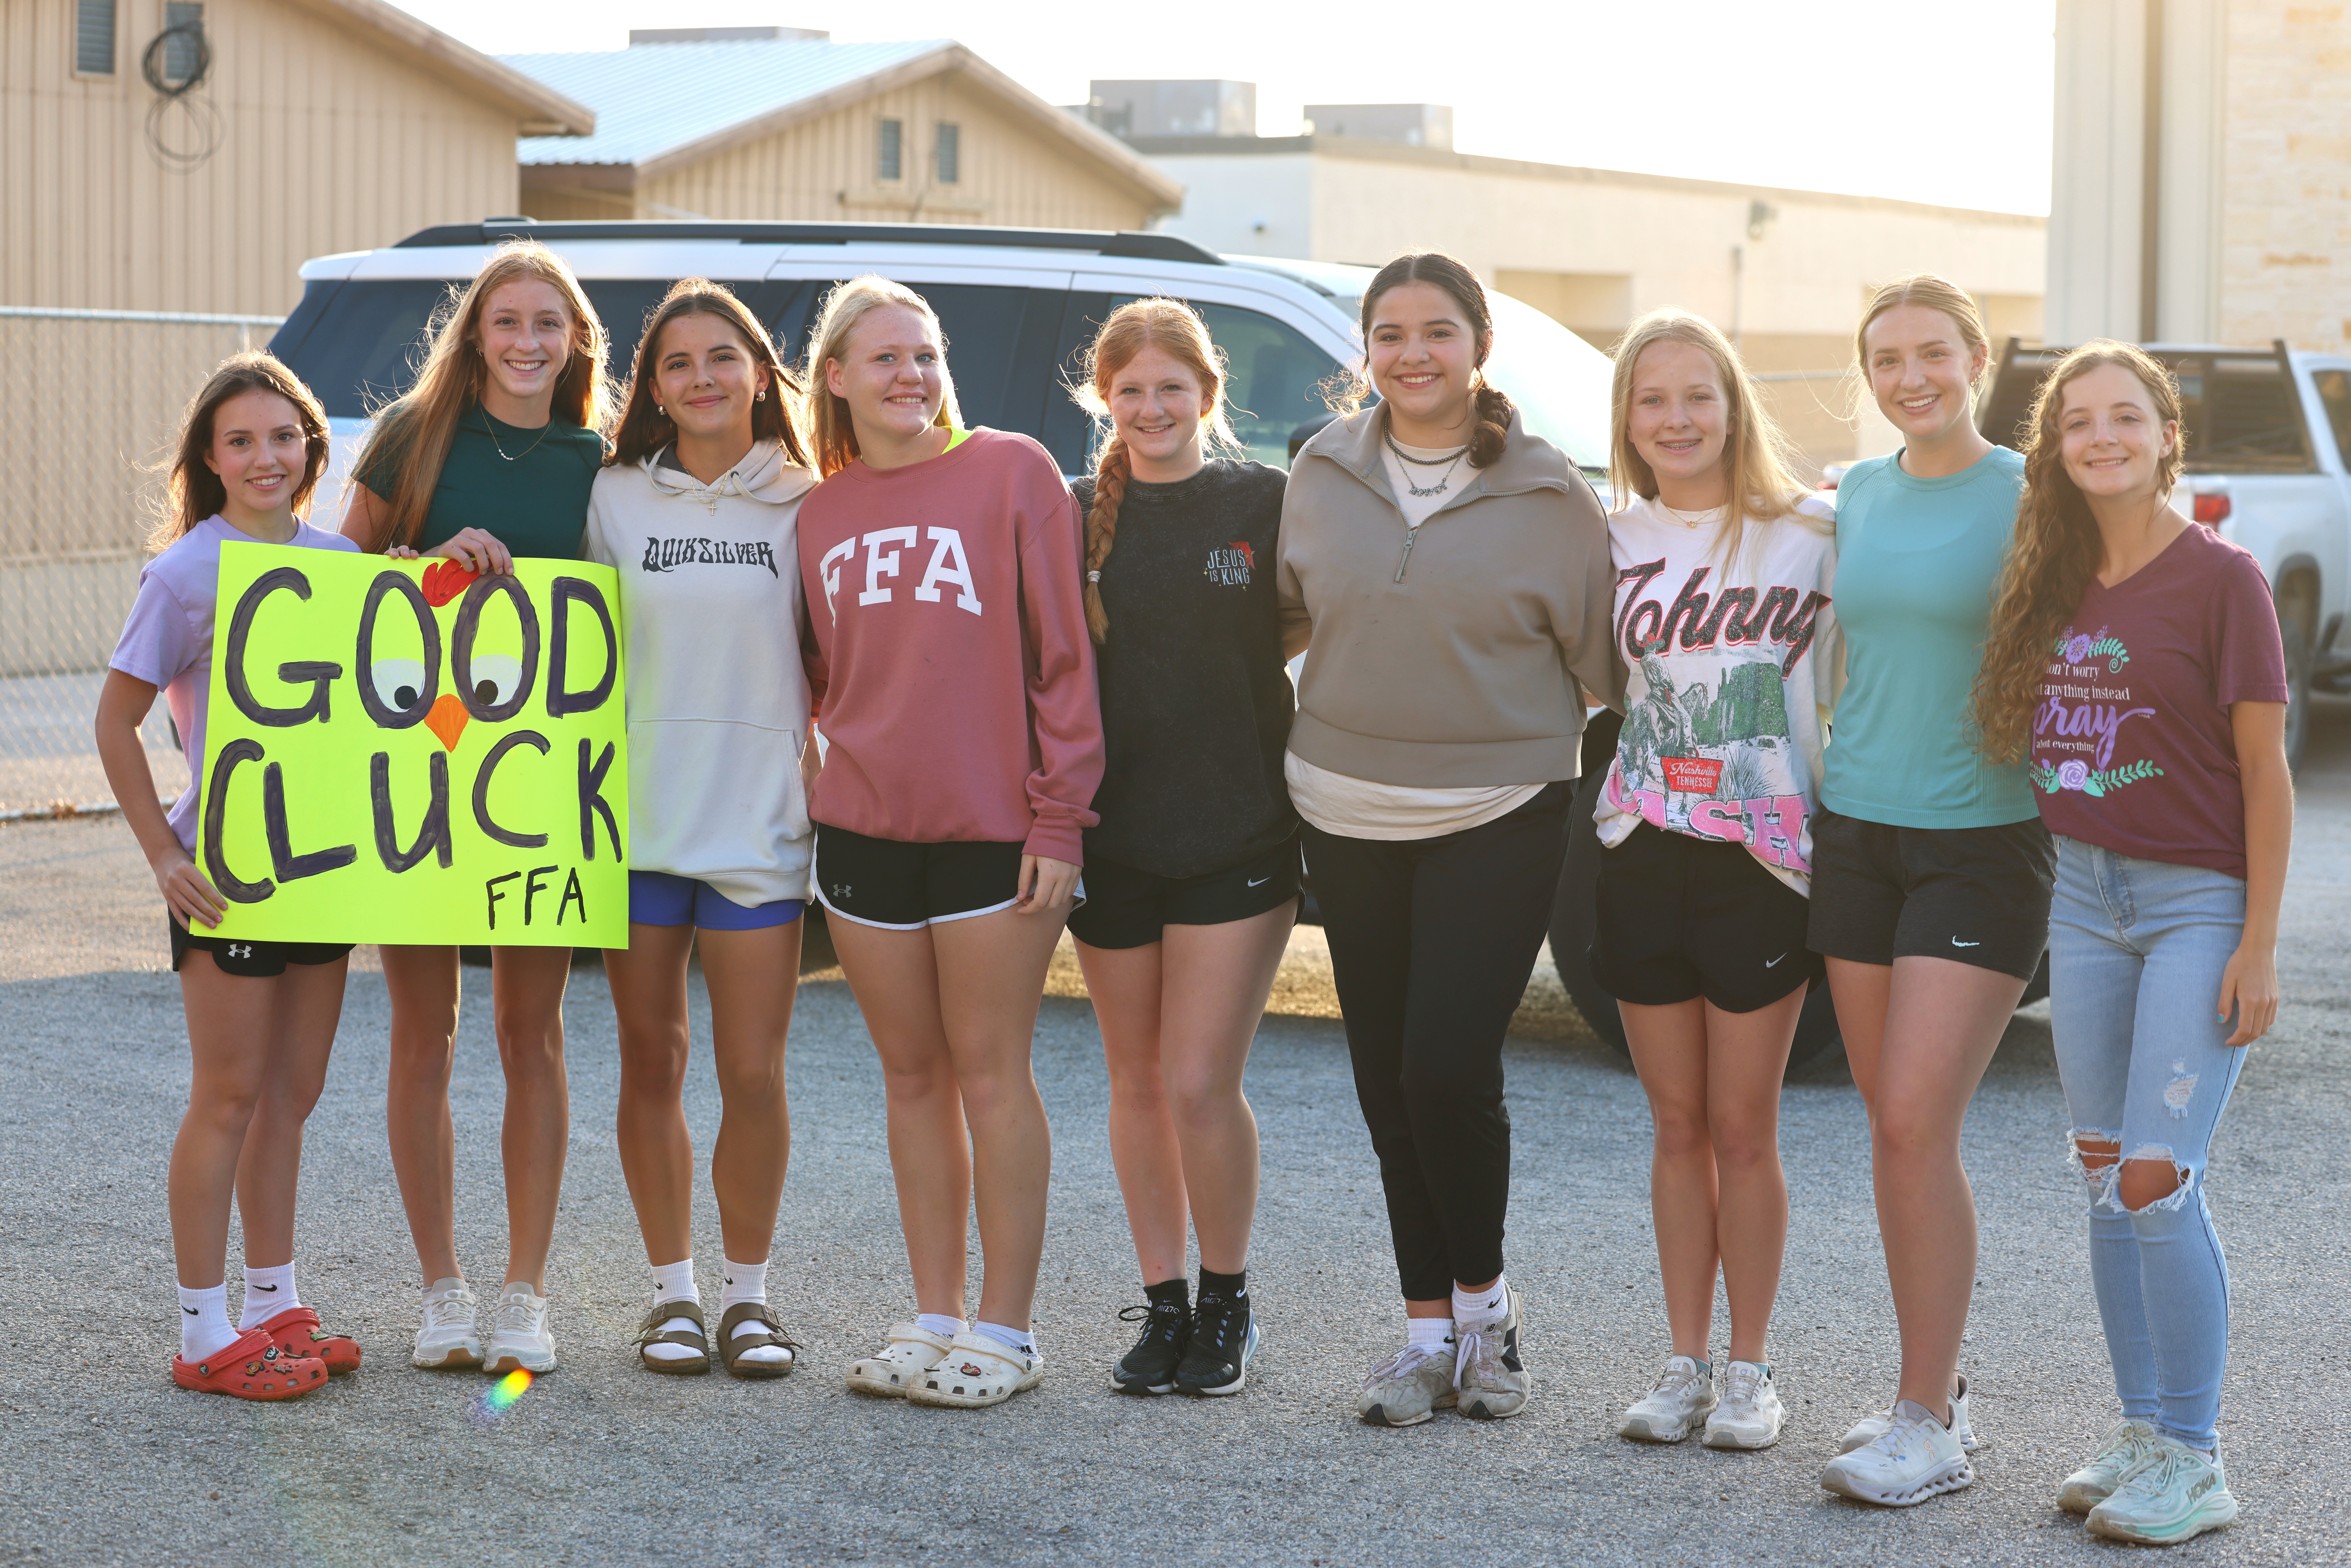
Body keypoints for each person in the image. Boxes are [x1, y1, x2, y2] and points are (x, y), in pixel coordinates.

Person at [1277, 252, 1622, 1427]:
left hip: (1496, 811)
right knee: (1383, 1081)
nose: (1410, 353)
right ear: (1363, 351)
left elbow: (1605, 664)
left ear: (1478, 349)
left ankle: (1488, 1315)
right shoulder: (1320, 469)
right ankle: (1424, 1331)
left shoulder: (1546, 492)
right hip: (1340, 806)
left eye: (1436, 331)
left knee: (1444, 1068)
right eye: (1388, 333)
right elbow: (1278, 611)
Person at [1971, 342, 2288, 1545]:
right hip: (2080, 897)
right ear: (2053, 447)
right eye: (2074, 423)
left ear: (2165, 432)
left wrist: (2255, 941)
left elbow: (2264, 774)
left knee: (2160, 1177)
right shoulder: (2044, 575)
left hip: (2193, 899)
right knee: (2105, 1174)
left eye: (2123, 417)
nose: (2098, 438)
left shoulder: (2223, 579)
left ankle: (2196, 1458)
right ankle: (2140, 1429)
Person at [795, 276, 1103, 1409]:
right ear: (836, 378)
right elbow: (821, 675)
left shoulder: (1014, 472)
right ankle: (933, 1313)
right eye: (882, 359)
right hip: (865, 834)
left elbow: (1063, 665)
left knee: (988, 1071)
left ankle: (1008, 1331)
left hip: (994, 833)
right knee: (911, 1076)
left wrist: (1059, 817)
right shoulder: (817, 513)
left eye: (922, 355)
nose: (909, 376)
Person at [342, 240, 611, 1375]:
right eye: (507, 320)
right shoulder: (413, 436)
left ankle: (525, 1294)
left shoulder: (598, 456)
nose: (528, 341)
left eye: (550, 322)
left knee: (530, 1034)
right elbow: (328, 584)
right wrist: (420, 561)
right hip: (425, 767)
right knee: (425, 1032)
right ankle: (441, 1287)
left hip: (541, 781)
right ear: (475, 332)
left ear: (577, 340)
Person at [1811, 276, 2051, 1505]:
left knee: (1914, 1121)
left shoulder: (2030, 495)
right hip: (1855, 830)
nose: (1909, 378)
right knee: (1890, 1128)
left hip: (1980, 838)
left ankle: (1924, 1424)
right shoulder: (1855, 493)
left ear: (1973, 358)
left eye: (1930, 354)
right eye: (1886, 360)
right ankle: (1932, 1386)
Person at [95, 354, 361, 1399]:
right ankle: (203, 1334)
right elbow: (113, 721)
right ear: (209, 459)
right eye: (242, 440)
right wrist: (164, 853)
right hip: (228, 873)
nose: (266, 457)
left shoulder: (345, 564)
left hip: (326, 871)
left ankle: (272, 1302)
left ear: (310, 449)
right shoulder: (186, 573)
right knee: (232, 1094)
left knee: (295, 1094)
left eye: (284, 437)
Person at [1595, 312, 1838, 1451]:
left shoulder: (1811, 533)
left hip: (1764, 858)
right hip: (1640, 846)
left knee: (1744, 1127)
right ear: (1627, 420)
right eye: (1652, 400)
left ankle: (1749, 1370)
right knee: (1674, 1123)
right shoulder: (1604, 539)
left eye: (1697, 396)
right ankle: (1682, 1361)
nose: (1676, 419)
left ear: (1734, 406)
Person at [581, 280, 817, 1379]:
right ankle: (671, 1295)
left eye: (724, 356)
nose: (704, 377)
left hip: (761, 826)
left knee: (753, 1070)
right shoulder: (614, 499)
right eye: (678, 363)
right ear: (654, 390)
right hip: (634, 825)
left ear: (761, 371)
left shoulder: (814, 500)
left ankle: (749, 1299)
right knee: (650, 1059)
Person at [1064, 299, 1295, 1399]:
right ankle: (1163, 1306)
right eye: (1129, 392)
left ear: (1208, 393)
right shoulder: (1074, 518)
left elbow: (1305, 623)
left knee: (1201, 1080)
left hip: (1236, 834)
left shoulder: (1265, 501)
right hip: (1114, 841)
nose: (1152, 409)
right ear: (1103, 402)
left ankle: (1228, 1300)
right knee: (1137, 1081)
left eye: (1172, 388)